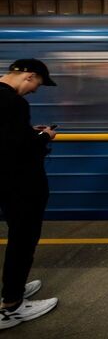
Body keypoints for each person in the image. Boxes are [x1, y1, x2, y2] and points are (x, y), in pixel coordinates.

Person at [0, 59, 58, 330]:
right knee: (23, 240)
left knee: (17, 237)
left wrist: (27, 134)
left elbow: (8, 139)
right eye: (37, 84)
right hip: (21, 186)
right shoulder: (14, 103)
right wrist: (45, 137)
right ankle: (12, 306)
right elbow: (19, 150)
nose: (35, 90)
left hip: (6, 183)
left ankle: (14, 288)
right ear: (29, 76)